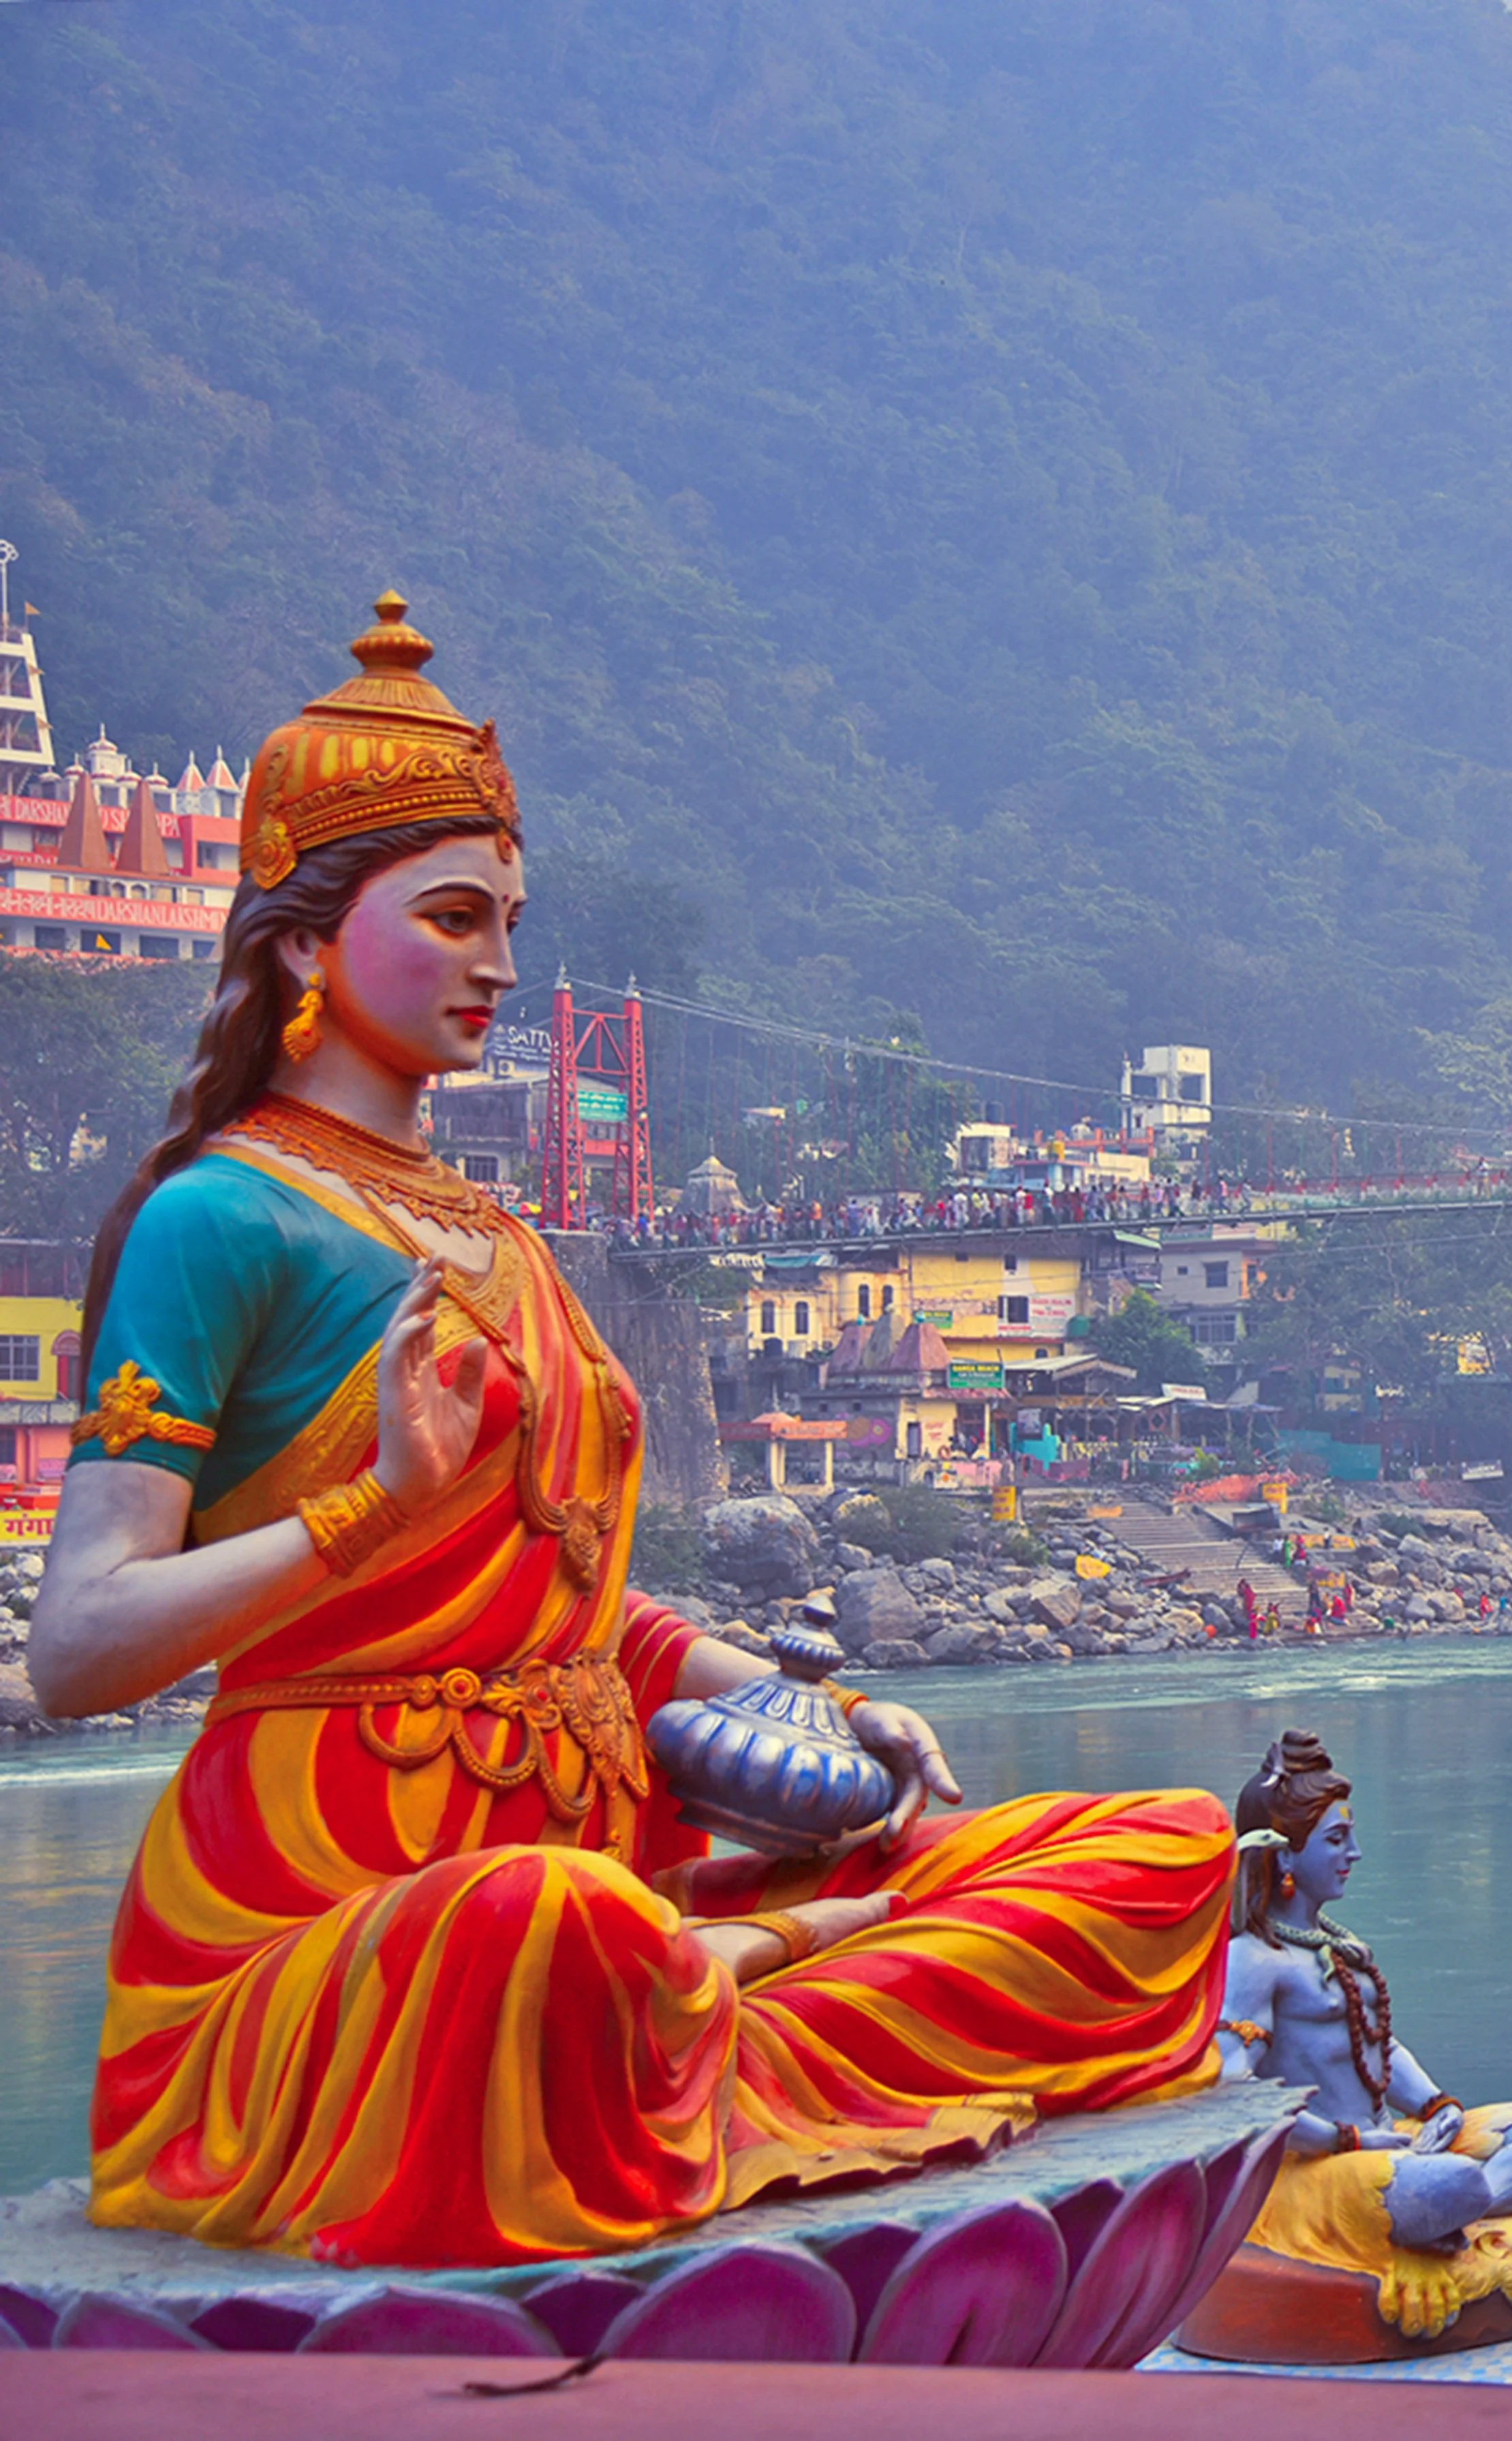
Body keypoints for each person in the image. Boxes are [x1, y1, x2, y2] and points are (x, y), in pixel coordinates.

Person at [28, 598, 1233, 2268]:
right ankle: (744, 1987)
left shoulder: (497, 1232)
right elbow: (78, 1647)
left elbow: (588, 1605)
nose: (499, 966)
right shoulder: (217, 1219)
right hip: (350, 1921)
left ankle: (723, 2010)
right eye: (451, 917)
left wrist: (828, 1706)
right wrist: (374, 1502)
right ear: (305, 942)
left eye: (510, 921)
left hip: (606, 1856)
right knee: (555, 1927)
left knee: (1154, 1850)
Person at [1211, 1730, 1512, 2340]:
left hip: (1393, 2147)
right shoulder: (1253, 1960)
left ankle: (1455, 2218)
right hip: (1321, 2168)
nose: (1355, 1853)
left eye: (1351, 1835)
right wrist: (1348, 2140)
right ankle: (1456, 2210)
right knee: (1456, 2181)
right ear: (1284, 1857)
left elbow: (1379, 2046)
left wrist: (1435, 2105)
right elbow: (1237, 2096)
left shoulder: (1343, 1945)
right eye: (1337, 1840)